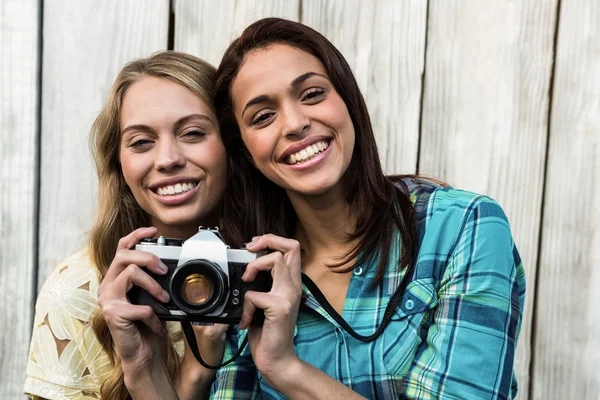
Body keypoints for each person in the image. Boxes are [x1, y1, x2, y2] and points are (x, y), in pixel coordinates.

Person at [119, 18, 526, 399]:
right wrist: (140, 367)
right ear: (244, 149)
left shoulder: (461, 227)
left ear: (347, 99)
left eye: (312, 94)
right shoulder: (248, 270)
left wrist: (285, 369)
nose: (295, 123)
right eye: (262, 116)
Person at [24, 51, 229, 400]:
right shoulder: (79, 292)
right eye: (141, 142)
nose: (167, 160)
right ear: (119, 164)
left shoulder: (274, 270)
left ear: (233, 145)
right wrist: (150, 370)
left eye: (193, 133)